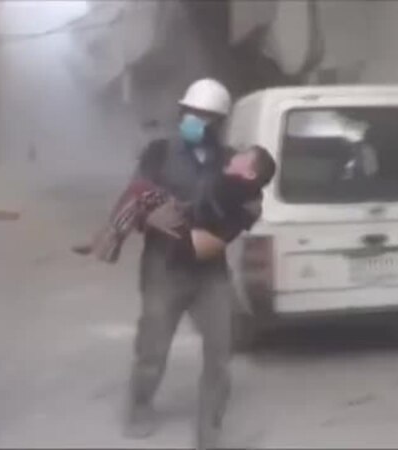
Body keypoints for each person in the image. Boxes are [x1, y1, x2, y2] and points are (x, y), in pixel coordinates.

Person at [112, 78, 256, 449]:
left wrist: (232, 217)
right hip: (164, 268)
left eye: (204, 116)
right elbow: (134, 195)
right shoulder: (158, 153)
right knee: (153, 348)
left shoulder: (231, 161)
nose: (195, 120)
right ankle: (140, 403)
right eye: (190, 113)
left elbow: (250, 206)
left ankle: (210, 431)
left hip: (210, 270)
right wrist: (152, 214)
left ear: (218, 122)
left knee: (220, 353)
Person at [75, 145, 276, 264]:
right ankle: (109, 242)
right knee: (140, 195)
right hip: (190, 227)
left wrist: (179, 206)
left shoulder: (235, 189)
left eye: (244, 157)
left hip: (190, 233)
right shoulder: (237, 187)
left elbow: (207, 209)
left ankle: (109, 244)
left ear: (249, 174)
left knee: (140, 193)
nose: (237, 155)